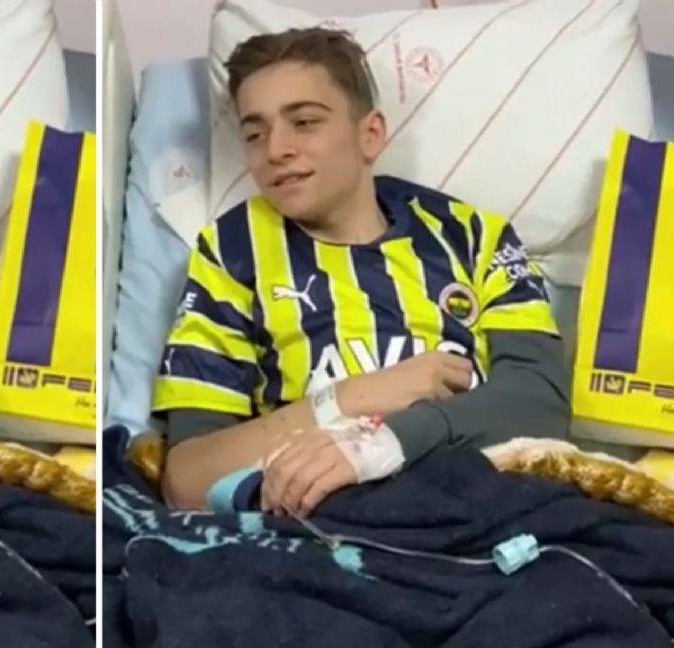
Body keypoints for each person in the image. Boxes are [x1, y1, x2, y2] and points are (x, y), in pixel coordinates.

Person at [153, 28, 570, 514]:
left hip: (487, 504)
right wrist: (348, 399)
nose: (276, 149)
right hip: (322, 524)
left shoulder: (473, 236)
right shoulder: (232, 252)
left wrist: (387, 442)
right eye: (254, 134)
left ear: (369, 135)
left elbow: (541, 406)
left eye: (304, 122)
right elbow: (187, 480)